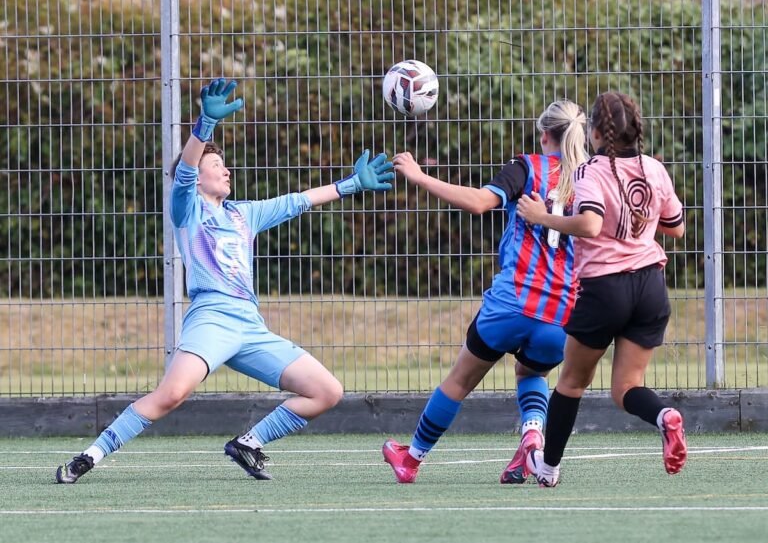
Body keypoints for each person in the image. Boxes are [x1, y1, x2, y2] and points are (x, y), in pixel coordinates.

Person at [56, 78, 394, 484]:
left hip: (249, 327)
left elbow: (296, 202)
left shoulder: (243, 214)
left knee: (327, 391)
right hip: (211, 318)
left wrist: (353, 184)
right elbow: (183, 173)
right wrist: (204, 125)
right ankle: (89, 457)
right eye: (216, 166)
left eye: (223, 164)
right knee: (172, 395)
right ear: (199, 178)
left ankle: (248, 443)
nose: (226, 169)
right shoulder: (187, 209)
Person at [382, 99, 590, 484]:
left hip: (510, 303)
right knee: (532, 369)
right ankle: (532, 436)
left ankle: (411, 459)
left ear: (544, 134)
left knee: (459, 381)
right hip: (561, 315)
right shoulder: (593, 178)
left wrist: (419, 176)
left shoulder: (526, 167)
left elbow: (479, 203)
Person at [516, 90, 687, 487]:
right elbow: (676, 227)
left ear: (594, 132)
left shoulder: (589, 171)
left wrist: (543, 217)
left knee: (572, 382)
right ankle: (664, 416)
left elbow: (591, 225)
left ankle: (549, 468)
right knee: (627, 387)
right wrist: (634, 217)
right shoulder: (654, 169)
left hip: (606, 288)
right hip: (650, 287)